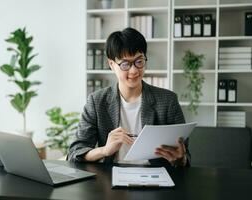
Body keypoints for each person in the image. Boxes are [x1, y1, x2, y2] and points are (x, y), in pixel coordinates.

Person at [67, 27, 189, 167]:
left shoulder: (168, 101)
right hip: (111, 177)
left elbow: (185, 157)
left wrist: (179, 159)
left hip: (156, 178)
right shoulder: (96, 101)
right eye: (125, 64)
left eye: (139, 61)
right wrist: (104, 150)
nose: (134, 70)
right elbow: (74, 153)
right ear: (111, 65)